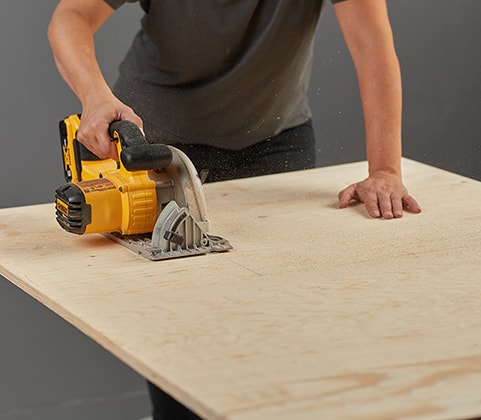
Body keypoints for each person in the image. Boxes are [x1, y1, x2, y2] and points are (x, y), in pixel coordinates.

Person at [48, 0, 422, 417]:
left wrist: (386, 169)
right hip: (156, 147)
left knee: (279, 317)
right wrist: (95, 95)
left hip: (274, 140)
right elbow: (71, 15)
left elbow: (371, 42)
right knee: (177, 330)